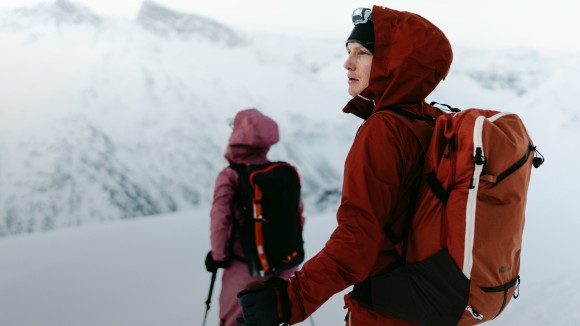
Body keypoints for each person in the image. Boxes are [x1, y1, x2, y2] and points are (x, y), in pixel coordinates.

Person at [236, 6, 453, 325]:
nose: (347, 62)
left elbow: (357, 240)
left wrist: (291, 300)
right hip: (431, 303)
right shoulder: (434, 122)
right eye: (349, 51)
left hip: (388, 311)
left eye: (363, 52)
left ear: (395, 63)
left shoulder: (385, 129)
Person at [205, 108, 303, 326]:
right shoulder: (280, 173)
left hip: (244, 268)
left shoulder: (231, 175)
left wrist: (218, 256)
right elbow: (298, 215)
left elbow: (220, 219)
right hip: (284, 265)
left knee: (238, 320)